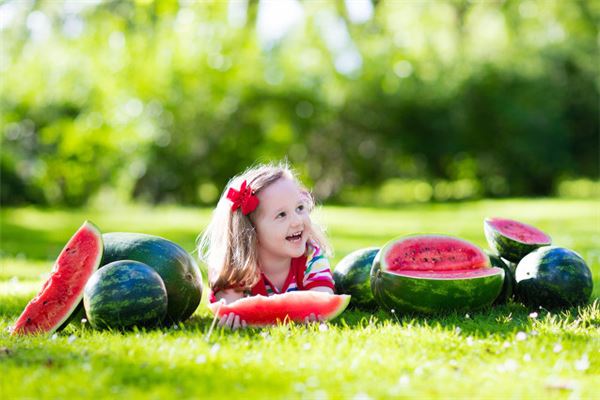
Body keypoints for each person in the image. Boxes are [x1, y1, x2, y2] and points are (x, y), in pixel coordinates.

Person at [198, 162, 335, 330]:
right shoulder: (235, 266)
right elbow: (230, 306)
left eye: (300, 208)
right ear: (251, 231)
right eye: (282, 215)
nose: (297, 221)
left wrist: (316, 313)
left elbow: (323, 298)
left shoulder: (311, 256)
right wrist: (233, 318)